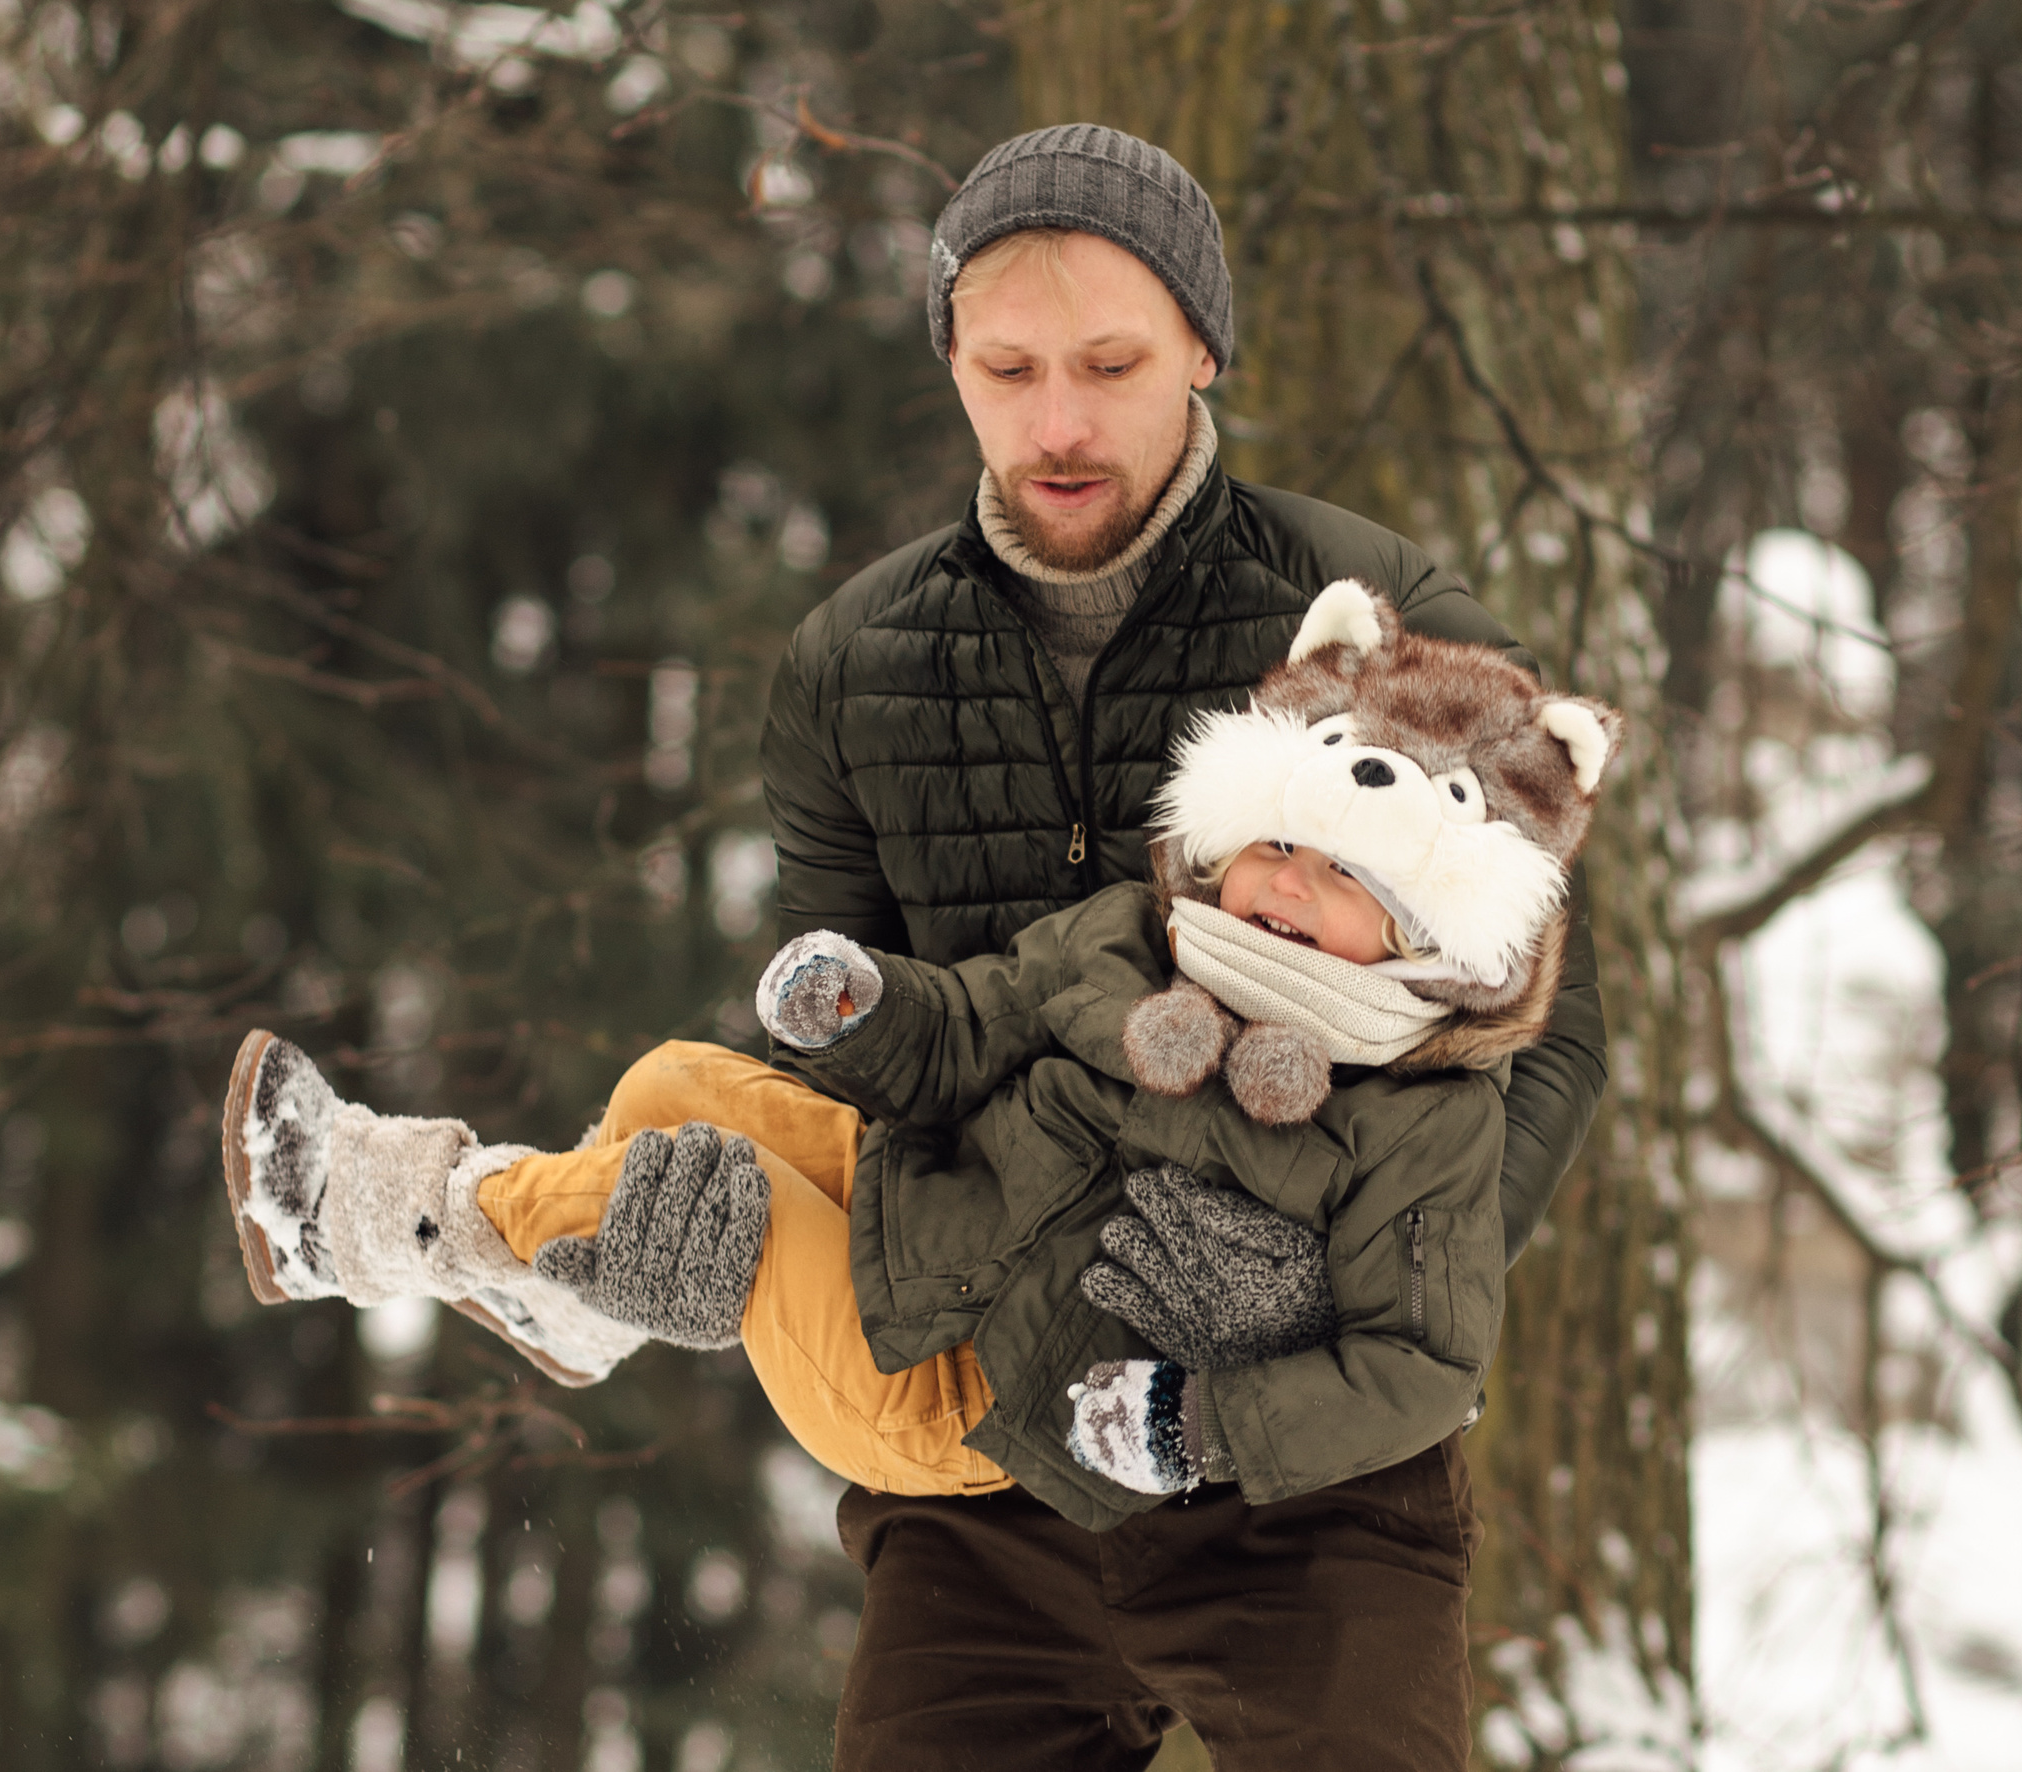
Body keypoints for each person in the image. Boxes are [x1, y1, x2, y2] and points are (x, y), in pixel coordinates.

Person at [221, 578, 1618, 1768]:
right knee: (672, 1088)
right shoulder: (1131, 936)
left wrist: (1212, 1417)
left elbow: (1423, 1367)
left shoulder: (1420, 1112)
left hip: (959, 1404)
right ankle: (567, 1298)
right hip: (947, 1228)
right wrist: (867, 1008)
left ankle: (417, 1218)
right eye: (1276, 841)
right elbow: (970, 1024)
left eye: (1342, 876)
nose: (1283, 885)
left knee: (739, 1195)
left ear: (1437, 935)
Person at [748, 123, 1610, 1766]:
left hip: (1319, 1498)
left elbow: (1548, 1032)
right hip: (992, 1456)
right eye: (1006, 369)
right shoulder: (852, 661)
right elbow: (857, 1036)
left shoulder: (1381, 617)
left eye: (1110, 363)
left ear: (1202, 348)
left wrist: (1340, 1294)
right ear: (951, 365)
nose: (1057, 423)